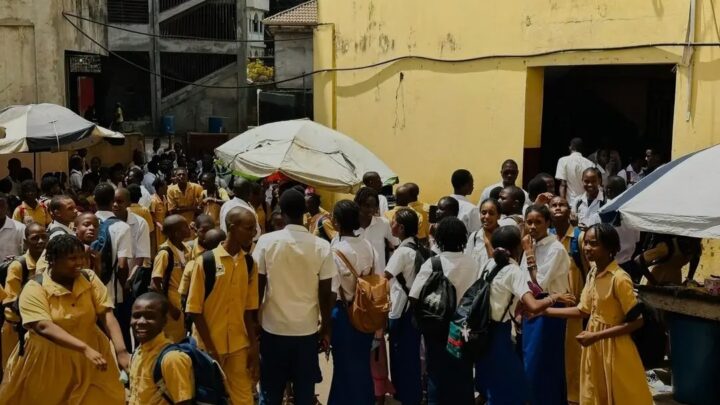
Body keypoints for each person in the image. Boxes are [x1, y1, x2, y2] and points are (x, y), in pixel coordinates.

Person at [0, 235, 128, 404]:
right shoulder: (34, 288)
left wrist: (121, 351)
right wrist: (83, 348)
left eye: (81, 257)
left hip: (94, 359)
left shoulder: (89, 277)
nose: (79, 263)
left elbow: (106, 314)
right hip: (49, 364)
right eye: (72, 259)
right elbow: (43, 326)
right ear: (52, 260)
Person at [545, 223, 653, 405]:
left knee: (622, 395)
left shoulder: (619, 278)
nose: (587, 248)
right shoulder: (593, 272)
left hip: (615, 348)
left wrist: (596, 335)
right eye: (586, 243)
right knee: (595, 393)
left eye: (593, 243)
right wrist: (546, 311)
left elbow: (637, 322)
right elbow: (583, 310)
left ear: (610, 247)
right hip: (593, 346)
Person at [474, 226, 576, 405]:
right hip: (500, 332)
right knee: (509, 387)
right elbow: (534, 306)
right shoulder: (513, 271)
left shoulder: (488, 264)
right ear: (517, 248)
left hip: (483, 329)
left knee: (497, 382)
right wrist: (555, 297)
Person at [253, 189, 336, 405]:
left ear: (281, 209)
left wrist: (254, 321)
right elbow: (326, 293)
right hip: (307, 330)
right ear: (305, 212)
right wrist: (325, 327)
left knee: (270, 391)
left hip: (272, 328)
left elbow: (257, 286)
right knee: (304, 392)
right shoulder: (322, 246)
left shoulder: (266, 242)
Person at [185, 207, 260, 404]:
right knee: (209, 399)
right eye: (249, 228)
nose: (253, 233)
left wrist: (253, 344)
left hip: (238, 345)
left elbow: (249, 310)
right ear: (233, 228)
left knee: (244, 398)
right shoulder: (206, 262)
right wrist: (210, 349)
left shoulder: (250, 264)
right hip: (208, 346)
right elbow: (194, 310)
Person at [408, 217, 478, 404]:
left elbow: (414, 295)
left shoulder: (433, 263)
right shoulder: (472, 263)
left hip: (436, 328)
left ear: (439, 239)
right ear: (463, 238)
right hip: (464, 328)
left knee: (436, 374)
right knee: (463, 373)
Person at [521, 204, 571, 405]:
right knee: (531, 362)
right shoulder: (532, 245)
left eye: (538, 222)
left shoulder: (555, 248)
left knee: (542, 363)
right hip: (531, 307)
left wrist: (529, 254)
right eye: (529, 222)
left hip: (550, 310)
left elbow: (539, 283)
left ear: (548, 223)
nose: (532, 227)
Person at [327, 200, 375, 405]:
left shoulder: (336, 250)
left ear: (337, 222)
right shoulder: (368, 245)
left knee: (343, 367)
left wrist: (324, 324)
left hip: (343, 312)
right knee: (362, 364)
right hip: (365, 310)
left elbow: (331, 291)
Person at [384, 208, 425, 405]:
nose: (390, 224)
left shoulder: (401, 252)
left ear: (400, 227)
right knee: (412, 355)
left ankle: (404, 395)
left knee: (400, 356)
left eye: (392, 222)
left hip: (400, 310)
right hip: (415, 309)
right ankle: (412, 393)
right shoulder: (420, 247)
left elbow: (385, 277)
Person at [549, 196, 587, 405]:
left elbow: (590, 270)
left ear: (569, 209)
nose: (557, 208)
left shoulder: (579, 239)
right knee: (554, 352)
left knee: (573, 354)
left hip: (574, 306)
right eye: (553, 205)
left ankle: (573, 397)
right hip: (551, 304)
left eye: (561, 204)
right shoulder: (547, 236)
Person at [128, 292, 194, 405]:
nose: (141, 322)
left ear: (164, 321)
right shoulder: (138, 353)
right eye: (136, 316)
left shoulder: (171, 359)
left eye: (150, 317)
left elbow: (184, 401)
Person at [1, 222, 47, 368]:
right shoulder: (18, 265)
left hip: (42, 328)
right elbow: (10, 303)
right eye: (35, 238)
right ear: (26, 242)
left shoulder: (50, 263)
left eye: (44, 237)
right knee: (14, 372)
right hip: (18, 329)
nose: (40, 241)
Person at [94, 183, 134, 348]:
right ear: (113, 201)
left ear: (94, 201)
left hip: (88, 290)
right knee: (117, 336)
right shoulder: (121, 227)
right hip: (112, 293)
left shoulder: (85, 222)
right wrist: (124, 285)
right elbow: (122, 264)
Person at [150, 215, 191, 343]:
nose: (189, 228)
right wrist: (170, 307)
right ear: (177, 233)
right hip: (173, 305)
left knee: (183, 338)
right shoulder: (165, 253)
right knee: (172, 341)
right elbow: (154, 283)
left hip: (185, 303)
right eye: (185, 226)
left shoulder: (187, 249)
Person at [355, 187, 399, 272]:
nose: (371, 210)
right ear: (358, 205)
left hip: (378, 279)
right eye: (367, 206)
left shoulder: (383, 223)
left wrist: (391, 269)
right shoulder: (349, 226)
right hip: (356, 278)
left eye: (374, 206)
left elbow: (397, 245)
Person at [113, 188, 152, 269]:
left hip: (132, 274)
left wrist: (131, 279)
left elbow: (140, 258)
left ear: (129, 203)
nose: (115, 204)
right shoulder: (106, 222)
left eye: (120, 202)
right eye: (113, 201)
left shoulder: (141, 223)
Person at [555, 137, 595, 204]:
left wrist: (562, 203)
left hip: (570, 201)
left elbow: (563, 184)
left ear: (571, 147)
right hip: (586, 202)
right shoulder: (590, 164)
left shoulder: (563, 161)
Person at [465, 198, 501, 271]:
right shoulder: (474, 237)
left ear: (499, 216)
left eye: (491, 213)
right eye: (483, 213)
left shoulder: (504, 236)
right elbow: (468, 263)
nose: (487, 217)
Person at [0, 193, 25, 262]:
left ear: (7, 207)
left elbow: (27, 253)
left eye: (1, 206)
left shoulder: (20, 228)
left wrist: (17, 259)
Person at [150, 177, 169, 249]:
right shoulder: (153, 200)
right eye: (165, 186)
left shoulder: (164, 198)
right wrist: (159, 225)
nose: (167, 188)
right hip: (157, 229)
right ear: (160, 188)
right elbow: (151, 215)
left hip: (164, 227)